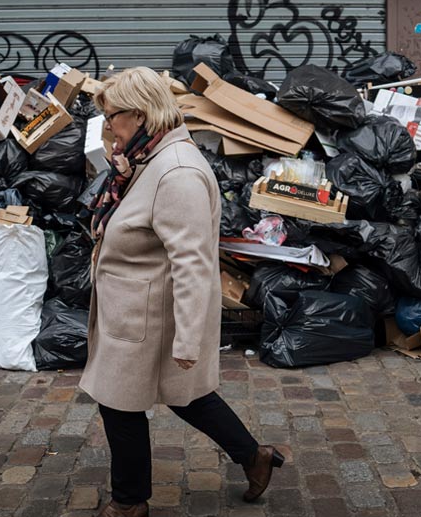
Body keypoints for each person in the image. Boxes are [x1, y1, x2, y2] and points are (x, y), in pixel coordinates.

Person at [81, 67, 283, 517]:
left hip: (147, 315)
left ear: (140, 114)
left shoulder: (177, 173)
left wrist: (189, 339)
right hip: (136, 307)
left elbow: (193, 261)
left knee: (119, 404)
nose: (108, 127)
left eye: (112, 117)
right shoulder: (151, 156)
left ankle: (129, 502)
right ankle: (254, 456)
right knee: (185, 396)